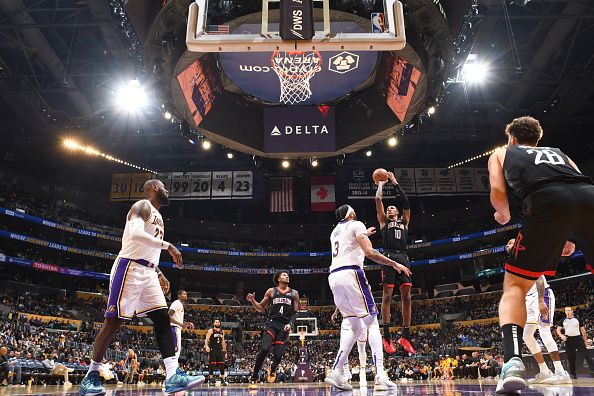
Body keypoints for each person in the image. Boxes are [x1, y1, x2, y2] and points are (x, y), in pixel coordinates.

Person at [487, 116, 594, 394]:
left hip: (546, 202)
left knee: (514, 286)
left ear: (512, 138)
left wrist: (503, 213)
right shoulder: (559, 154)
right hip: (588, 196)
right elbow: (575, 182)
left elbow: (499, 194)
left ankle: (512, 361)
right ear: (537, 139)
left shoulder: (501, 152)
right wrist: (570, 234)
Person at [79, 179, 204, 395]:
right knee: (113, 322)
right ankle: (90, 376)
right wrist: (169, 246)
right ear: (153, 188)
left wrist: (158, 272)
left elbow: (147, 249)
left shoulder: (159, 216)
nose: (167, 191)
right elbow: (135, 236)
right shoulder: (141, 206)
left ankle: (173, 375)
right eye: (164, 187)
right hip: (129, 268)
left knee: (163, 319)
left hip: (148, 272)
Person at [324, 204, 411, 391]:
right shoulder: (356, 224)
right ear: (352, 214)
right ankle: (380, 375)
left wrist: (365, 234)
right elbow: (370, 253)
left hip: (334, 278)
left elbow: (350, 243)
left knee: (354, 325)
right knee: (371, 323)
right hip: (351, 273)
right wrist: (395, 263)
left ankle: (337, 371)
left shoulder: (335, 231)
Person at [504, 238, 572, 384]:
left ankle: (561, 372)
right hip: (528, 299)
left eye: (511, 242)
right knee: (527, 335)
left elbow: (539, 279)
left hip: (541, 295)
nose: (508, 245)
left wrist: (541, 300)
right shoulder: (511, 265)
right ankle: (545, 372)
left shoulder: (527, 257)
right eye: (507, 244)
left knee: (544, 331)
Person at [375, 172, 415, 354]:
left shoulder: (405, 222)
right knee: (387, 296)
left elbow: (406, 203)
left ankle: (405, 336)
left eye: (392, 208)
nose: (390, 209)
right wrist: (381, 185)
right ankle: (386, 335)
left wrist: (395, 183)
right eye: (388, 208)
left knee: (407, 297)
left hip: (403, 257)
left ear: (398, 212)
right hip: (389, 257)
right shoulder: (383, 222)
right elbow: (378, 201)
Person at [246, 271, 299, 388]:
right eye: (284, 275)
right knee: (265, 348)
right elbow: (260, 308)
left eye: (287, 275)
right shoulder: (271, 291)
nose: (287, 277)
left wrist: (290, 323)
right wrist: (253, 301)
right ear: (278, 279)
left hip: (284, 326)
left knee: (278, 355)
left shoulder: (294, 293)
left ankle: (273, 368)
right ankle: (254, 375)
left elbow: (295, 313)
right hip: (271, 324)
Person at [331, 306, 368, 386]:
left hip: (361, 319)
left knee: (361, 348)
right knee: (344, 347)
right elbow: (341, 300)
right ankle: (346, 372)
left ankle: (363, 372)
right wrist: (335, 312)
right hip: (347, 319)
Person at [556, 306, 594, 379]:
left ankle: (593, 371)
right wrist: (561, 336)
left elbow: (583, 331)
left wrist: (585, 340)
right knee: (571, 358)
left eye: (569, 310)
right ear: (565, 312)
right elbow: (558, 330)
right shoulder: (563, 320)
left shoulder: (577, 319)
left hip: (578, 339)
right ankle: (573, 374)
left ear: (572, 311)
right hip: (568, 340)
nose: (567, 312)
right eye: (566, 310)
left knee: (587, 355)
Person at [169, 290, 195, 359]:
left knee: (177, 350)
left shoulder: (180, 305)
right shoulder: (177, 303)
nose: (185, 295)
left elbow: (178, 319)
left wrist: (188, 323)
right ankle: (173, 369)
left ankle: (174, 368)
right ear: (179, 295)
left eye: (186, 294)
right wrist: (180, 324)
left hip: (176, 328)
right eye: (183, 294)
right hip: (174, 328)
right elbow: (168, 316)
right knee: (176, 351)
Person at [204, 319, 227, 386]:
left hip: (220, 350)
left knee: (222, 365)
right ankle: (211, 380)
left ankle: (222, 380)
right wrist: (206, 346)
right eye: (216, 322)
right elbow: (206, 339)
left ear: (220, 323)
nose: (217, 323)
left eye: (218, 322)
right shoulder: (210, 331)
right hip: (212, 349)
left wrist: (225, 351)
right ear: (214, 323)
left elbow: (223, 341)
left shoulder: (222, 331)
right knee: (212, 365)